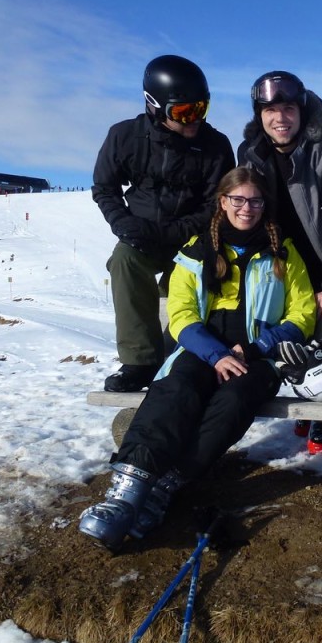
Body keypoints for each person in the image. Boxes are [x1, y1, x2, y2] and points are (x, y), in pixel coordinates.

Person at [79, 166, 316, 549]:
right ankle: (125, 492)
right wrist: (216, 354)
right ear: (223, 202)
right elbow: (182, 313)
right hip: (201, 347)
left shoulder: (283, 253)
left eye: (254, 201)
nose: (247, 208)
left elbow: (301, 315)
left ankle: (165, 486)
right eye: (238, 199)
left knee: (235, 400)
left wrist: (255, 348)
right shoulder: (195, 249)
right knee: (179, 389)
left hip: (258, 356)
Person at [239, 71, 322, 454]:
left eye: (288, 108)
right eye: (270, 110)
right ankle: (307, 397)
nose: (280, 118)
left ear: (302, 111)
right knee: (288, 329)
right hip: (286, 260)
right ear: (260, 115)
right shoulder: (250, 152)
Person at [93, 54, 236, 393]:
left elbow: (215, 203)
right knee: (125, 263)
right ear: (154, 106)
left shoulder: (215, 146)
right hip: (140, 235)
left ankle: (178, 355)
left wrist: (178, 232)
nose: (194, 121)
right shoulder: (125, 136)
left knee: (195, 281)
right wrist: (123, 224)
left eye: (200, 109)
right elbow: (105, 188)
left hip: (192, 238)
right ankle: (139, 362)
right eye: (183, 112)